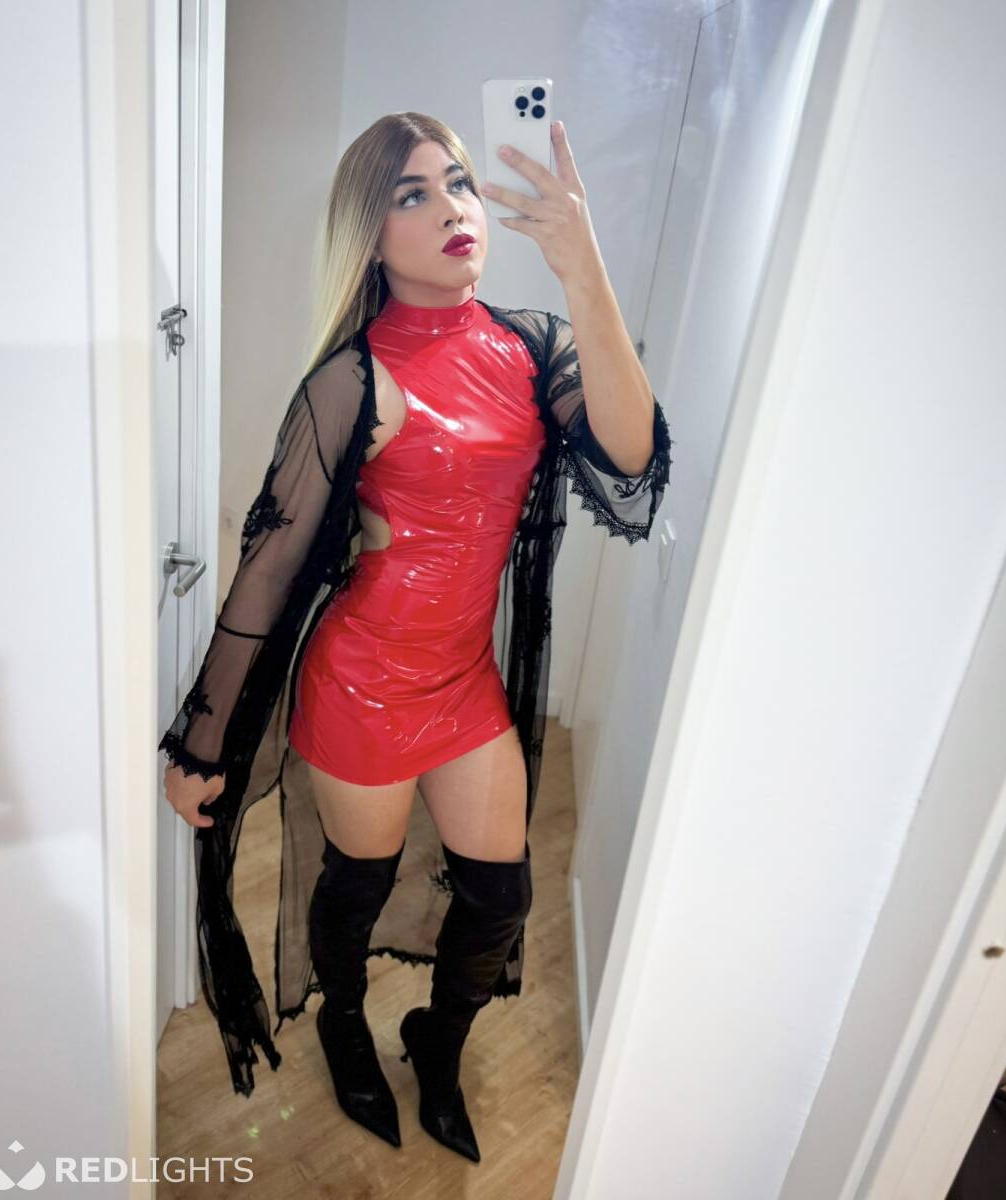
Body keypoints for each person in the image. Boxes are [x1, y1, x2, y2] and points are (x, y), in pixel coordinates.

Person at [160, 111, 672, 1163]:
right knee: (359, 882)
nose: (452, 209)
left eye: (461, 183)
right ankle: (345, 1022)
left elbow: (629, 458)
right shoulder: (350, 381)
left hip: (463, 682)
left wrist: (584, 270)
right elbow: (268, 567)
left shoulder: (533, 346)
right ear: (371, 234)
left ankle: (437, 1041)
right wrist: (199, 743)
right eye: (413, 193)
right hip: (361, 685)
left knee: (502, 896)